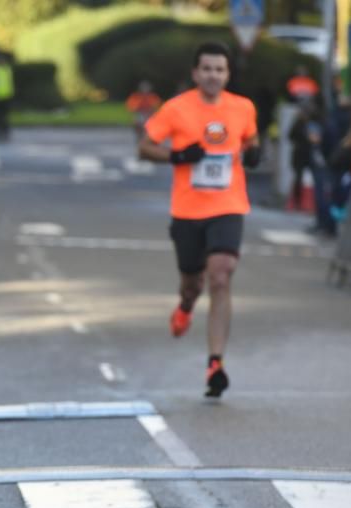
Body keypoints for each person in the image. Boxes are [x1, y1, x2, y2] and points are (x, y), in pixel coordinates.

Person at [139, 42, 259, 398]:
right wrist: (177, 155)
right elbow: (145, 146)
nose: (213, 75)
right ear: (195, 73)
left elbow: (250, 141)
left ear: (227, 74)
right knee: (193, 283)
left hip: (228, 205)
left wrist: (253, 153)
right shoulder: (176, 109)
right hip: (188, 211)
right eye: (206, 69)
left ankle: (215, 363)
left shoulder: (242, 107)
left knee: (221, 275)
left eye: (219, 70)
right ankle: (186, 306)